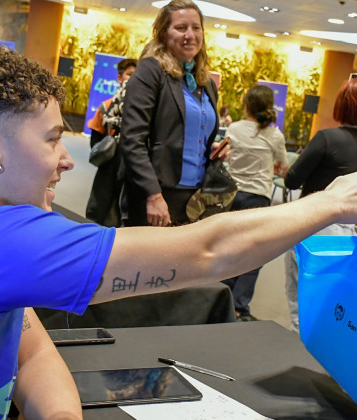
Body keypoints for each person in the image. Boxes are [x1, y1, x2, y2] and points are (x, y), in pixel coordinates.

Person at [0, 46, 357, 419]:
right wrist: (330, 204)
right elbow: (209, 251)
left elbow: (31, 349)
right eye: (49, 140)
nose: (66, 160)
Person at [283, 73, 357, 332]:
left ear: (342, 103)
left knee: (300, 297)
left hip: (312, 226)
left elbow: (292, 180)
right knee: (333, 301)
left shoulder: (326, 138)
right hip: (351, 234)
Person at [121, 0, 228, 227]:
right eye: (181, 28)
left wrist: (211, 148)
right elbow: (132, 140)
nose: (190, 35)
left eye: (196, 27)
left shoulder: (206, 82)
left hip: (196, 196)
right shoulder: (150, 72)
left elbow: (188, 132)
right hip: (157, 195)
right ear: (163, 33)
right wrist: (153, 195)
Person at [221, 85, 287, 321]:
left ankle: (223, 297)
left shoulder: (234, 128)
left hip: (233, 195)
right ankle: (239, 307)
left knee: (228, 248)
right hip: (258, 199)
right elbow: (282, 166)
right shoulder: (275, 136)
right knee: (253, 253)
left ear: (246, 105)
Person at [85, 58, 137, 227]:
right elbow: (95, 142)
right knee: (98, 214)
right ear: (119, 78)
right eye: (130, 74)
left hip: (133, 171)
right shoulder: (106, 107)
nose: (133, 79)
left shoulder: (145, 112)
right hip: (108, 170)